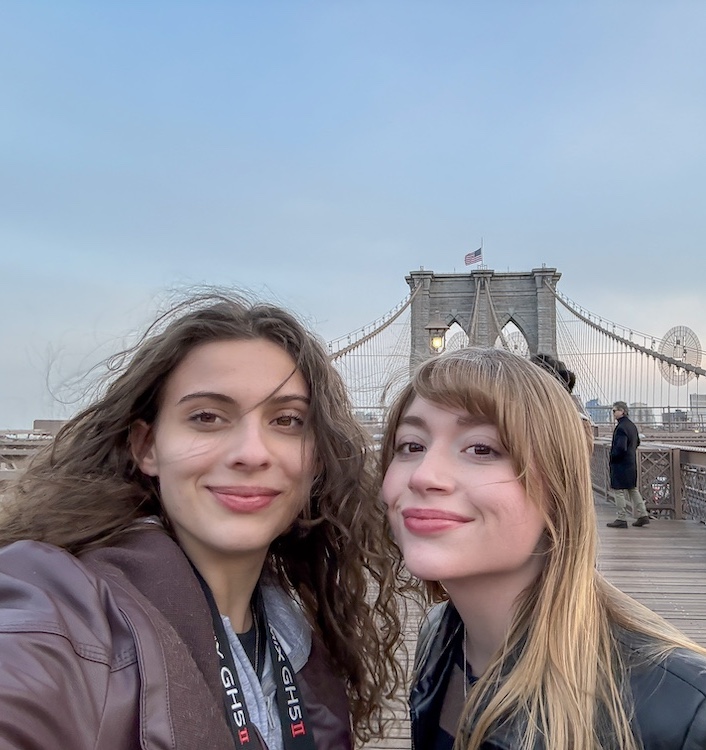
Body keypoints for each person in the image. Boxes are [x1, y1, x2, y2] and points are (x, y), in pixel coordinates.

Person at [0, 292, 403, 750]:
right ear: (147, 447)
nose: (252, 453)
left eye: (288, 420)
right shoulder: (65, 617)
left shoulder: (300, 642)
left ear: (316, 458)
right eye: (207, 417)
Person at [380, 347, 706, 750]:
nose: (424, 475)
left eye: (481, 448)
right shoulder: (439, 635)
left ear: (558, 488)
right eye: (411, 446)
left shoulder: (686, 710)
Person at [606, 400, 650, 528]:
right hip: (631, 462)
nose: (613, 413)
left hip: (620, 464)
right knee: (632, 489)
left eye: (615, 411)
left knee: (618, 491)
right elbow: (637, 442)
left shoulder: (621, 428)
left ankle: (621, 518)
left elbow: (620, 447)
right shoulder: (631, 426)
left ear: (622, 411)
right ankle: (643, 514)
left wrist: (613, 457)